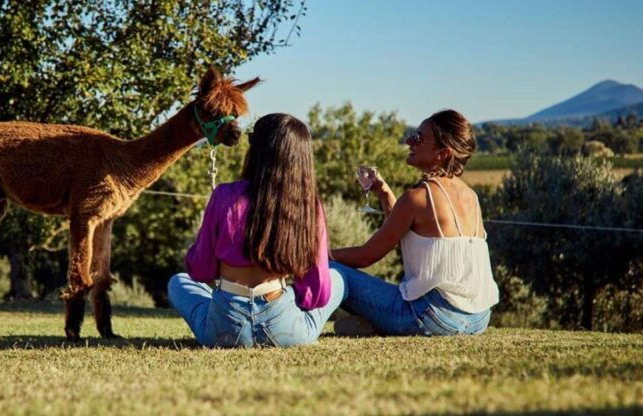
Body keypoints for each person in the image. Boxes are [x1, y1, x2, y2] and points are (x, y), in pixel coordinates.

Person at [167, 113, 345, 347]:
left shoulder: (224, 195)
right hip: (284, 327)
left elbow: (201, 271)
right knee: (338, 278)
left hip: (225, 327)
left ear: (256, 150)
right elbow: (318, 293)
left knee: (178, 282)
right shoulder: (309, 206)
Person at [331, 109, 499, 336]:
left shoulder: (419, 197)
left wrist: (315, 255)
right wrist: (384, 192)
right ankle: (377, 324)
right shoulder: (471, 196)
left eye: (419, 138)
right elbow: (405, 230)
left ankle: (303, 323)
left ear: (442, 153)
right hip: (479, 318)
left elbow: (366, 256)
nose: (409, 141)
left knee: (332, 270)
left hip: (434, 318)